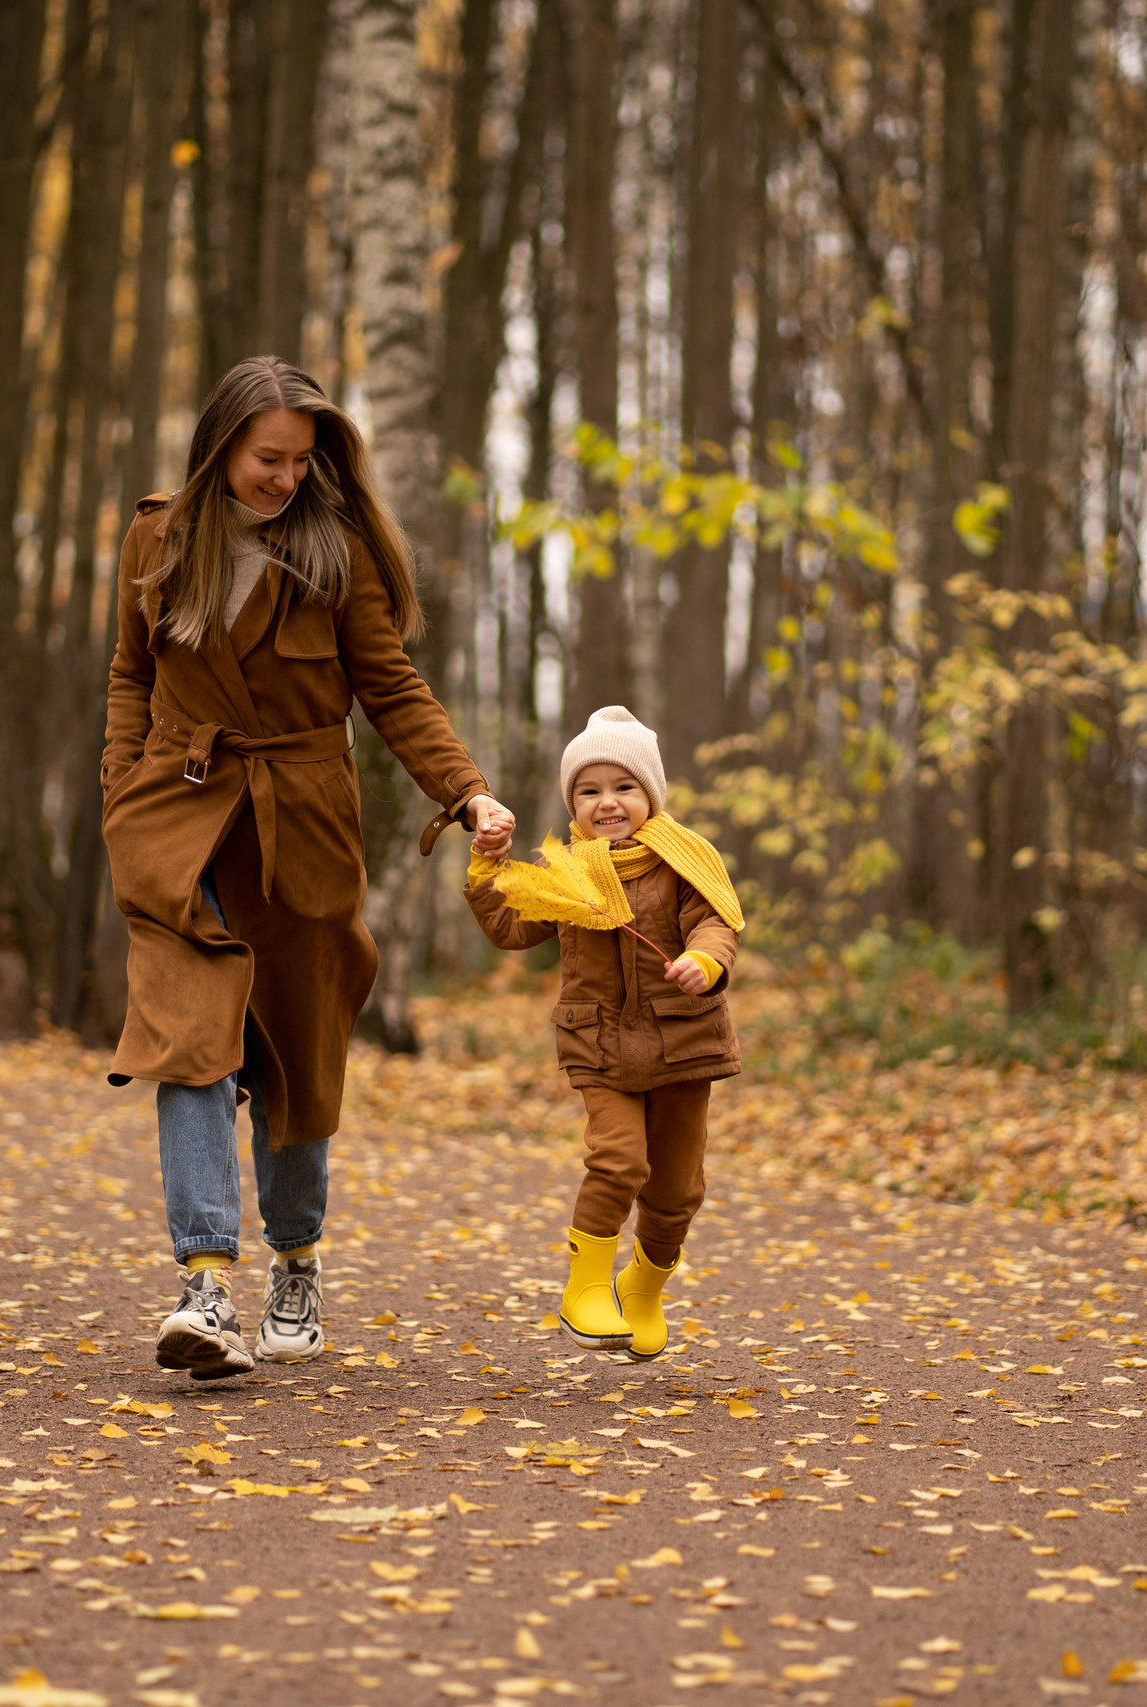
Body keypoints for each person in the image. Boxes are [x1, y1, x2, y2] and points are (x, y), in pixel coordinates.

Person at [101, 356, 515, 1380]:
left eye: (301, 460)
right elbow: (131, 674)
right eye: (265, 458)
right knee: (189, 1045)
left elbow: (392, 688)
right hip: (180, 823)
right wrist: (122, 795)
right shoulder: (156, 538)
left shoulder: (337, 558)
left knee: (294, 1054)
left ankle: (296, 1263)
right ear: (221, 446)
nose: (283, 478)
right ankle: (203, 1283)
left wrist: (465, 792)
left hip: (301, 830)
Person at [463, 706, 743, 1359]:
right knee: (619, 1160)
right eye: (589, 790)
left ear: (651, 794)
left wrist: (704, 961)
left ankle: (641, 1287)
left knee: (676, 1190)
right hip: (600, 1044)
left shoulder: (685, 860)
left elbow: (716, 923)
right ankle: (584, 1287)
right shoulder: (568, 871)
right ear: (573, 803)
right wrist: (487, 867)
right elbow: (509, 925)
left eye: (624, 787)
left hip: (682, 1040)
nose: (607, 802)